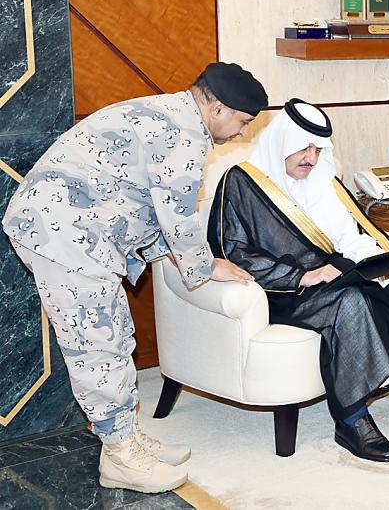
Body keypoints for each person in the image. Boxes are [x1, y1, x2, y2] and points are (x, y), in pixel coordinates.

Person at [2, 63, 268, 493]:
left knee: (116, 332)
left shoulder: (172, 113)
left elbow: (147, 204)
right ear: (218, 108)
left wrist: (186, 260)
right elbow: (178, 219)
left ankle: (125, 436)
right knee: (97, 343)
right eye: (243, 121)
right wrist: (206, 267)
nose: (242, 132)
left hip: (74, 229)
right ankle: (120, 456)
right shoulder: (183, 135)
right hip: (64, 233)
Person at [207, 99, 389, 464]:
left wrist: (382, 265)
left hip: (331, 276)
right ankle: (351, 419)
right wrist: (302, 275)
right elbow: (232, 252)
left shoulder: (323, 179)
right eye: (304, 148)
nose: (311, 158)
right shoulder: (242, 182)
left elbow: (350, 235)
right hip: (281, 290)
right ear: (283, 142)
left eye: (318, 150)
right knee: (350, 301)